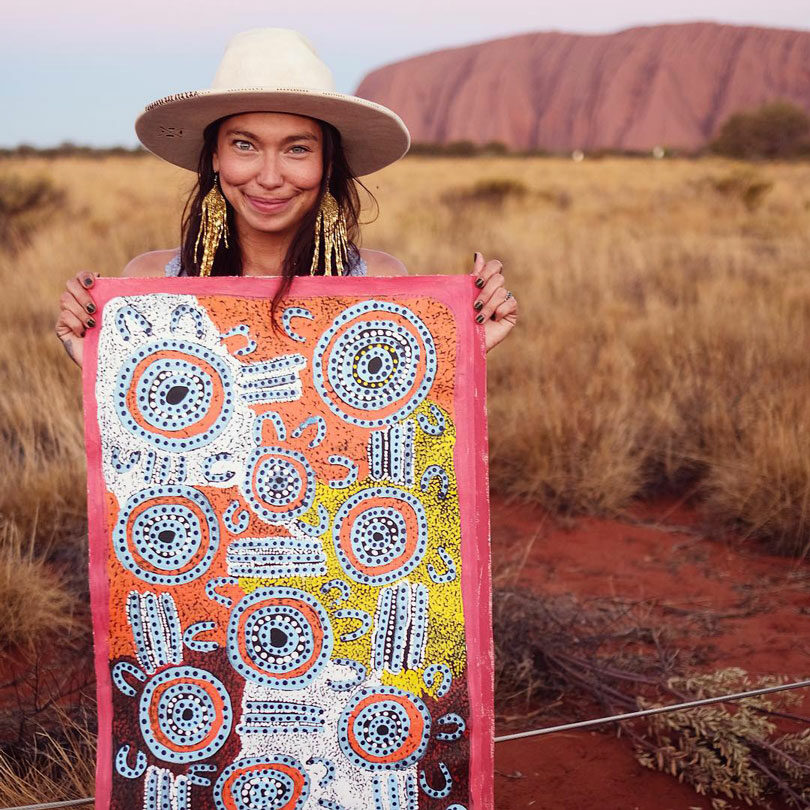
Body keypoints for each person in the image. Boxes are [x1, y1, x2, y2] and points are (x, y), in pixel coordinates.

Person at [54, 28, 518, 366]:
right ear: (214, 156)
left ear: (327, 164)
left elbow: (397, 433)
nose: (270, 177)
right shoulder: (152, 283)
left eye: (297, 149)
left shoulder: (375, 281)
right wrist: (93, 356)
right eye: (244, 145)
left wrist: (468, 347)